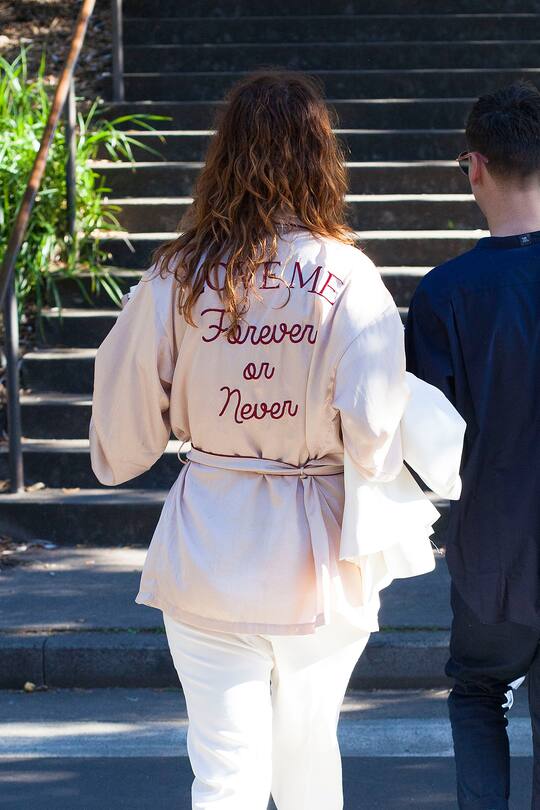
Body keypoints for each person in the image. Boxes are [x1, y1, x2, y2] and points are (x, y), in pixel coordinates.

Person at [89, 70, 448, 810]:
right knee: (309, 754)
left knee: (224, 767)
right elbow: (376, 432)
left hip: (208, 541)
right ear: (323, 160)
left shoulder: (176, 275)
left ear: (221, 156)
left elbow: (121, 442)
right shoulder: (347, 275)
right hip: (315, 549)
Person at [406, 80, 540, 810]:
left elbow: (428, 443)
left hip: (492, 551)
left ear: (475, 167)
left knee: (479, 692)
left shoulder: (444, 294)